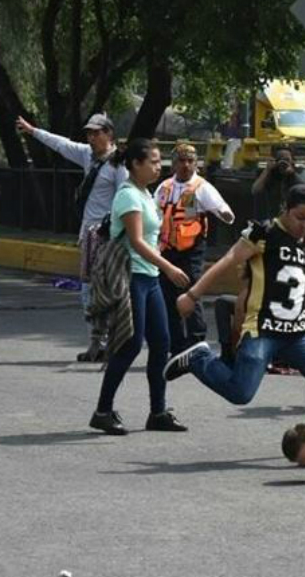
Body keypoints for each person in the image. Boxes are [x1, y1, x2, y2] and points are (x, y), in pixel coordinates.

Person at [163, 185, 305, 431]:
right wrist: (192, 295)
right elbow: (228, 260)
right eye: (299, 217)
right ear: (285, 210)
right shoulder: (264, 233)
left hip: (300, 332)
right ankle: (199, 359)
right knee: (240, 392)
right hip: (263, 328)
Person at [88, 139, 190, 436]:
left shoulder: (146, 193)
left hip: (150, 278)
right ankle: (102, 411)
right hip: (131, 276)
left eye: (160, 161)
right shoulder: (128, 195)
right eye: (153, 162)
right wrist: (169, 267)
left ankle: (158, 412)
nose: (159, 167)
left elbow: (151, 237)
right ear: (135, 164)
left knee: (161, 343)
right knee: (130, 344)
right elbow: (136, 241)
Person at [17, 112, 127, 362]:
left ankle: (111, 343)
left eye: (96, 133)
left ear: (109, 134)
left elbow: (125, 198)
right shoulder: (88, 155)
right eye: (89, 133)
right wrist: (33, 131)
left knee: (105, 291)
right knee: (88, 291)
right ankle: (97, 343)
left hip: (108, 236)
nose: (91, 138)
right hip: (89, 235)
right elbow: (61, 144)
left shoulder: (118, 164)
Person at [153, 142, 235, 356]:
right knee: (168, 296)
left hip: (191, 250)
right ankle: (176, 345)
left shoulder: (201, 187)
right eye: (181, 161)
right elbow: (154, 214)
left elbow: (224, 210)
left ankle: (196, 340)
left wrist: (223, 213)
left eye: (190, 161)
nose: (186, 165)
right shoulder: (165, 187)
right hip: (167, 249)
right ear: (173, 164)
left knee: (190, 292)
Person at [252, 146, 305, 222]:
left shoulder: (300, 171)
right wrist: (267, 170)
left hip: (295, 217)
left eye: (286, 159)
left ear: (293, 161)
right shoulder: (271, 174)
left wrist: (293, 174)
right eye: (280, 159)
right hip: (274, 218)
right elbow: (255, 190)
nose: (283, 162)